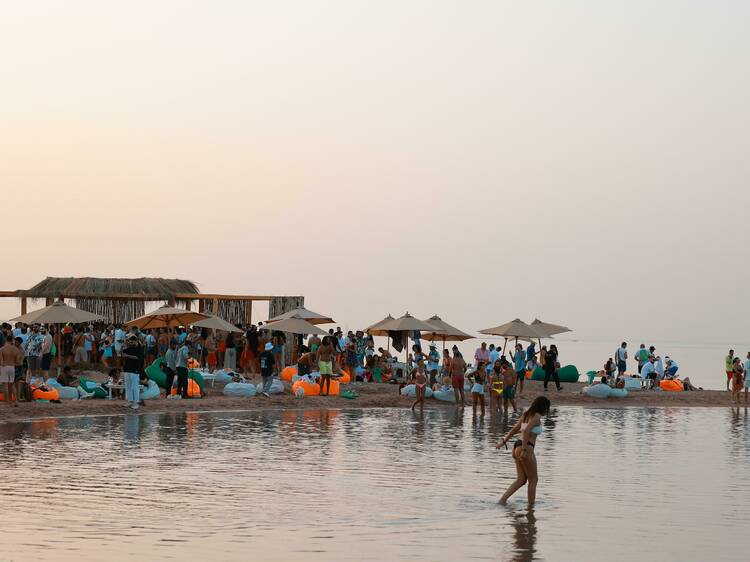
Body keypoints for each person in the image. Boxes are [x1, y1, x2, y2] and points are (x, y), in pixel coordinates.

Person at [496, 396, 551, 506]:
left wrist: (503, 442)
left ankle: (502, 501)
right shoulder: (536, 416)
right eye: (547, 408)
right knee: (533, 480)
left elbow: (515, 429)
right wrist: (525, 450)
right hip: (526, 447)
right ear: (543, 407)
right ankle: (531, 508)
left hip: (516, 446)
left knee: (521, 480)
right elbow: (526, 432)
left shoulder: (526, 414)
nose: (547, 410)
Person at [121, 333, 144, 409]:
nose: (131, 342)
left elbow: (138, 358)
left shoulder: (140, 348)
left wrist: (128, 356)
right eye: (130, 340)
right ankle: (130, 401)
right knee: (128, 386)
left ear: (136, 341)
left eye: (133, 340)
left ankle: (136, 402)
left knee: (135, 387)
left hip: (135, 370)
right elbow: (122, 353)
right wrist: (123, 345)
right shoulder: (129, 348)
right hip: (127, 369)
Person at [0, 336, 22, 406]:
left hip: (4, 366)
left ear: (6, 340)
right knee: (12, 385)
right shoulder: (16, 349)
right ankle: (15, 401)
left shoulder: (2, 349)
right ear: (12, 340)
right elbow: (18, 361)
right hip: (12, 367)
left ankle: (8, 402)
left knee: (5, 384)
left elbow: (1, 361)